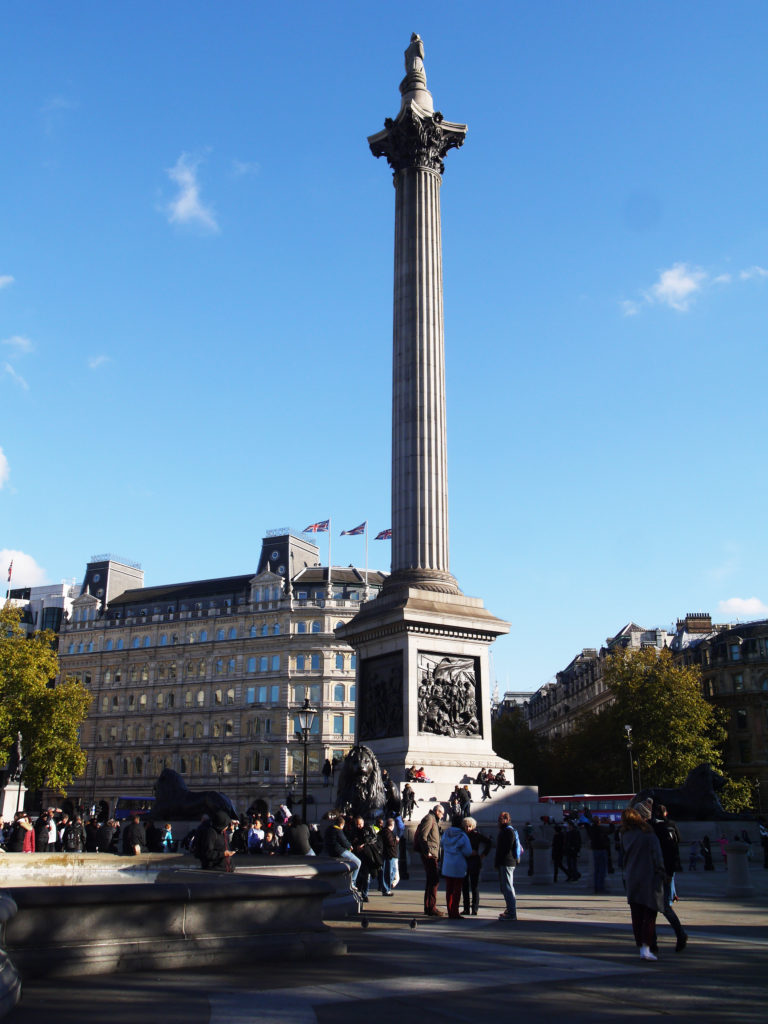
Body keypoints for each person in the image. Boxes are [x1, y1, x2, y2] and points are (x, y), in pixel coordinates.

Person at [620, 804, 664, 961]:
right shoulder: (649, 835)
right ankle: (646, 947)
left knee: (636, 916)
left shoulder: (625, 836)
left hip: (632, 877)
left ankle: (641, 946)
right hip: (649, 877)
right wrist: (662, 874)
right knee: (650, 914)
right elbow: (657, 858)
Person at [651, 803, 688, 952]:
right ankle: (678, 934)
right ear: (665, 813)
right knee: (664, 906)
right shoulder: (671, 825)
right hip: (668, 870)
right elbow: (678, 842)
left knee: (655, 907)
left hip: (658, 871)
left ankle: (653, 942)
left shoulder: (655, 829)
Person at [414, 803, 445, 916]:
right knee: (434, 881)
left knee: (431, 881)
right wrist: (427, 851)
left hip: (432, 854)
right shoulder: (429, 819)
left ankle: (428, 907)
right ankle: (431, 907)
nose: (442, 816)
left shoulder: (433, 820)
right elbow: (423, 835)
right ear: (437, 811)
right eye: (442, 813)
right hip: (430, 855)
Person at [441, 814, 472, 918]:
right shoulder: (463, 835)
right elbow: (468, 851)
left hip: (447, 864)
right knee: (457, 890)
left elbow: (442, 844)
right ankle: (455, 911)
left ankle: (450, 911)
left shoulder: (446, 834)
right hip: (458, 865)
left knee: (449, 889)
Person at [462, 816, 492, 915]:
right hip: (465, 861)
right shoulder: (462, 835)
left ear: (473, 826)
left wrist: (483, 855)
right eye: (466, 826)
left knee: (474, 886)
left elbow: (489, 842)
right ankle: (466, 908)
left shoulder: (476, 835)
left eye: (470, 826)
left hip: (474, 862)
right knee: (465, 886)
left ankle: (474, 908)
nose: (468, 828)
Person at [495, 811, 521, 921]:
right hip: (506, 862)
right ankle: (510, 909)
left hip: (507, 862)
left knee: (508, 887)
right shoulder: (506, 830)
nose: (498, 822)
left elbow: (505, 848)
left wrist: (499, 860)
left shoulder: (508, 831)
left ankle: (512, 913)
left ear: (505, 819)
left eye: (500, 819)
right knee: (505, 887)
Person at [324, 814, 361, 889]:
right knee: (358, 862)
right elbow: (344, 841)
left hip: (331, 851)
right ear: (341, 824)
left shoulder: (329, 829)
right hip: (339, 851)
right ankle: (352, 881)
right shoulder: (338, 830)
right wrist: (350, 846)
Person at [380, 818, 399, 896]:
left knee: (393, 871)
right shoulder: (387, 832)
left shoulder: (387, 832)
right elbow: (390, 843)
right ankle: (386, 888)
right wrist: (396, 840)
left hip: (391, 854)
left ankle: (386, 886)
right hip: (389, 854)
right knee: (388, 872)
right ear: (392, 825)